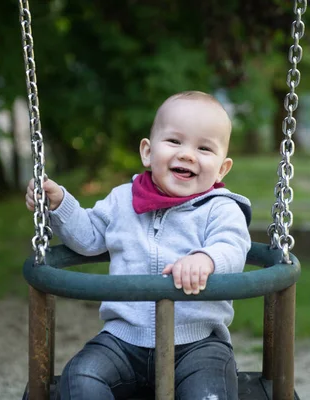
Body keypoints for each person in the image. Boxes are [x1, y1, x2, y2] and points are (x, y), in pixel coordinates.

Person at [25, 91, 252, 400]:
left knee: (210, 395)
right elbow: (89, 237)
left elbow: (233, 245)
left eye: (203, 147)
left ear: (222, 169)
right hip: (122, 340)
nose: (187, 154)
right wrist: (60, 204)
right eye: (174, 141)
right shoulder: (122, 200)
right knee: (80, 378)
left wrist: (206, 259)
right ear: (147, 152)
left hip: (198, 344)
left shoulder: (221, 208)